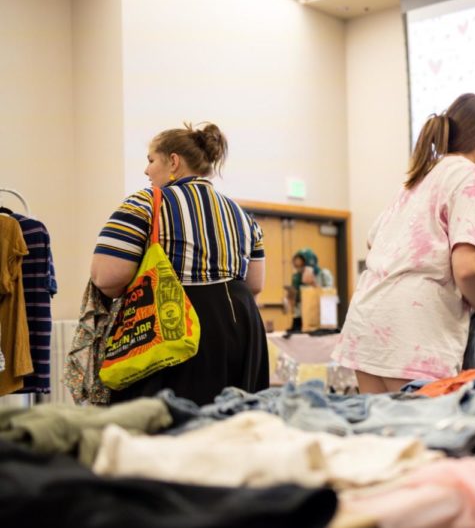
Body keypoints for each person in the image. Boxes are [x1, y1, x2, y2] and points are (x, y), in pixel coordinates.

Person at [333, 93, 475, 393]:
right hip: (415, 331)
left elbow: (373, 242)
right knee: (426, 434)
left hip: (369, 322)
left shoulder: (419, 178)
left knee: (385, 434)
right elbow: (467, 270)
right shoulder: (473, 178)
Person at [91, 122, 269, 405]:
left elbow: (107, 277)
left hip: (177, 325)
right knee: (233, 424)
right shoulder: (242, 215)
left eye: (150, 160)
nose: (146, 171)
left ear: (173, 161)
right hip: (242, 326)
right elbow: (255, 284)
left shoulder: (146, 203)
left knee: (169, 425)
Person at [283, 248, 334, 337]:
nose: (299, 269)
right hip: (306, 320)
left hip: (324, 318)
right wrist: (290, 297)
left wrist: (313, 283)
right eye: (296, 266)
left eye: (301, 265)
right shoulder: (297, 277)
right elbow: (298, 302)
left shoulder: (324, 274)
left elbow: (329, 295)